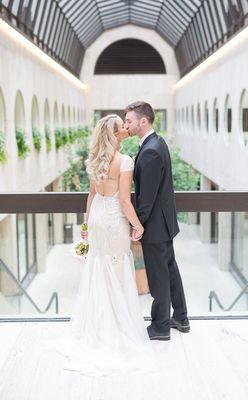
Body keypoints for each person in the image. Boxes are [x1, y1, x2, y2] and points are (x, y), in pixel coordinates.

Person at [56, 114, 157, 376]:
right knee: (117, 271)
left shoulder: (95, 160)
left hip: (98, 216)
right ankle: (117, 328)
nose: (126, 128)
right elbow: (124, 200)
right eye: (121, 127)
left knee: (99, 268)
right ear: (114, 134)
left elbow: (91, 195)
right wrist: (138, 225)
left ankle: (98, 326)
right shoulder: (125, 161)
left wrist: (87, 226)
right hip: (114, 219)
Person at [125, 101, 190, 341]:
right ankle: (181, 317)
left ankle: (161, 326)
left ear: (143, 121)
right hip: (164, 223)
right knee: (170, 270)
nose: (126, 125)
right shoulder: (156, 142)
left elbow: (147, 197)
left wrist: (137, 224)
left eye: (129, 121)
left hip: (154, 225)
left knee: (158, 277)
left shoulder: (151, 150)